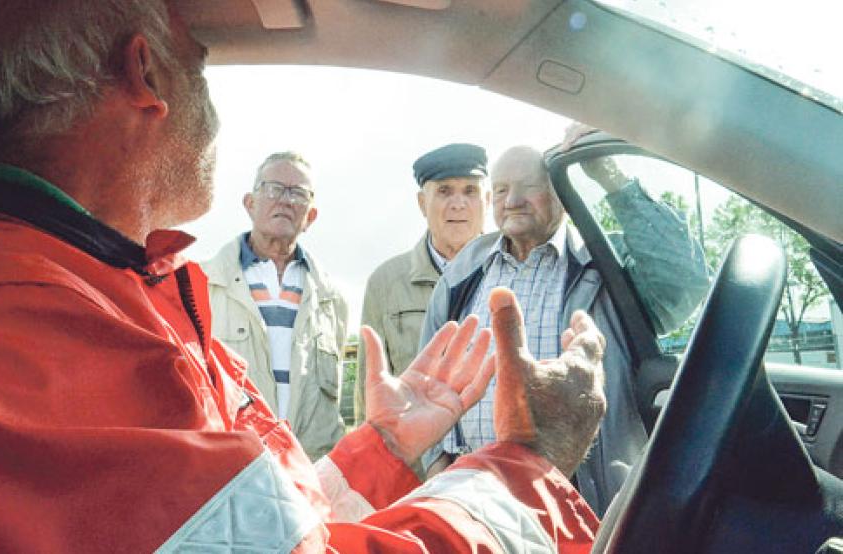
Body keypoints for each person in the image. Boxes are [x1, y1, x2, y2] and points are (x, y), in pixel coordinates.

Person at [0, 1, 605, 551]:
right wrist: (531, 468)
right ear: (145, 70)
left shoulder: (91, 289)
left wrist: (378, 449)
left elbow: (239, 527)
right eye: (202, 64)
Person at [420, 139, 711, 515]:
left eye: (531, 187)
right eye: (503, 190)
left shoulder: (605, 261)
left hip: (579, 497)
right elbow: (430, 378)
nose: (513, 200)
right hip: (476, 496)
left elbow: (684, 283)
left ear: (561, 192)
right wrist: (436, 468)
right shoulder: (463, 274)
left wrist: (611, 178)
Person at [203, 151, 348, 461]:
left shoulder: (332, 299)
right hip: (232, 472)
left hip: (311, 476)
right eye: (274, 188)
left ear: (310, 216)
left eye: (298, 193)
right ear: (250, 204)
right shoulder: (202, 285)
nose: (285, 200)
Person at [354, 143, 489, 428]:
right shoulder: (386, 283)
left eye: (470, 191)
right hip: (417, 464)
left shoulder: (515, 271)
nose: (458, 204)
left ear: (487, 200)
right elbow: (370, 394)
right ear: (421, 203)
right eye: (444, 191)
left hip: (494, 462)